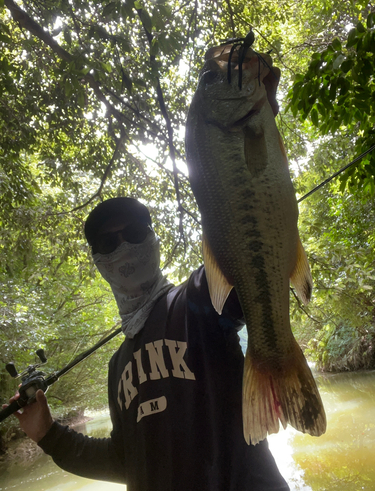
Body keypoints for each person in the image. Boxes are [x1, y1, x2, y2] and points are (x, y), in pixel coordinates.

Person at [7, 197, 289, 490]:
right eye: (108, 242)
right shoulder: (117, 365)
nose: (124, 247)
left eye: (135, 233)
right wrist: (47, 434)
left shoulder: (198, 299)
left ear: (153, 239)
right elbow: (123, 460)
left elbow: (245, 258)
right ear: (98, 260)